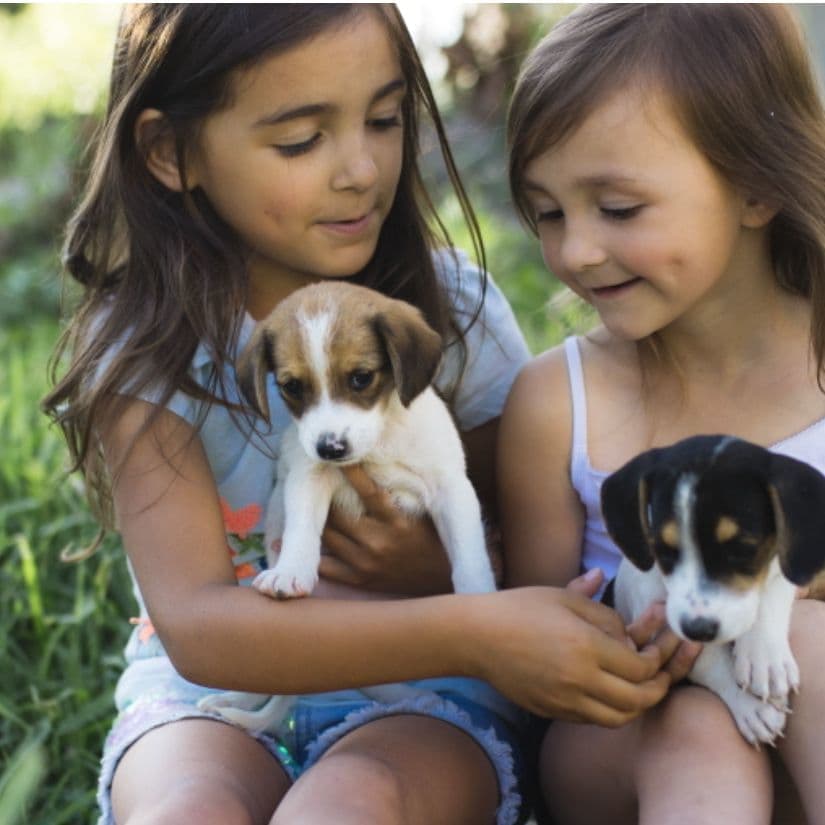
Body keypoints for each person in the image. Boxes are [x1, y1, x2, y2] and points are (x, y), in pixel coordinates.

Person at [43, 5, 695, 824]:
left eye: (384, 120)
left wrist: (438, 582)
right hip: (209, 700)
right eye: (300, 140)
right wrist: (471, 627)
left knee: (351, 805)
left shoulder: (450, 315)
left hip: (430, 700)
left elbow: (525, 554)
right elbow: (199, 628)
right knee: (188, 811)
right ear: (171, 152)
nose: (360, 169)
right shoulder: (146, 349)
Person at [502, 4, 825, 824]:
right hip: (622, 739)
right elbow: (535, 659)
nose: (575, 251)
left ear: (755, 186)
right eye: (548, 213)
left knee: (811, 645)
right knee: (699, 732)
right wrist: (610, 651)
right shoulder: (557, 401)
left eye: (616, 208)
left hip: (804, 718)